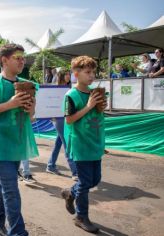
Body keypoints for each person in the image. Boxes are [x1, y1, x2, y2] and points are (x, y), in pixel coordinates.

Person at [0, 43, 39, 236]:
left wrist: (30, 109)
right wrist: (11, 104)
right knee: (11, 190)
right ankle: (18, 232)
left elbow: (30, 116)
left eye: (23, 57)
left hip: (17, 142)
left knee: (4, 185)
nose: (22, 61)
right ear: (4, 60)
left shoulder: (26, 84)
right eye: (17, 58)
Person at [61, 56, 106, 233]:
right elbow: (69, 119)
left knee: (94, 180)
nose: (91, 75)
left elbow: (98, 119)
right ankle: (81, 216)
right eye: (87, 72)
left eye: (93, 72)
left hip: (95, 142)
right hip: (80, 144)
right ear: (76, 73)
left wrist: (100, 106)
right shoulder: (71, 95)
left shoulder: (95, 92)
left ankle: (70, 193)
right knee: (86, 182)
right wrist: (88, 106)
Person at [46, 70, 78, 179]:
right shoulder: (55, 89)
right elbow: (49, 103)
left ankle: (50, 165)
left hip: (66, 117)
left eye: (69, 74)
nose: (69, 76)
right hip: (59, 119)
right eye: (67, 75)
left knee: (59, 142)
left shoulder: (69, 88)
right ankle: (75, 172)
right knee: (67, 144)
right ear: (61, 76)